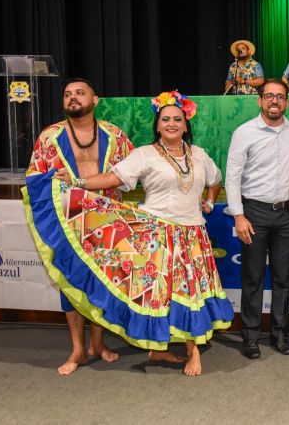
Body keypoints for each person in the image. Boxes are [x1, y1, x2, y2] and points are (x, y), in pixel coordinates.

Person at [26, 89, 234, 376]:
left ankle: (190, 351)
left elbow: (215, 179)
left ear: (186, 125)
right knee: (162, 296)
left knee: (191, 296)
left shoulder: (199, 154)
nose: (171, 124)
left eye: (177, 119)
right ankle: (162, 349)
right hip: (156, 235)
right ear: (157, 125)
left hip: (192, 236)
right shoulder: (144, 155)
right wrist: (76, 181)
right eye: (165, 120)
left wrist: (210, 201)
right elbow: (112, 178)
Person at [24, 78, 134, 375]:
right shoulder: (50, 136)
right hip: (68, 220)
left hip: (108, 218)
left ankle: (97, 343)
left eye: (80, 93)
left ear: (94, 100)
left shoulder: (115, 135)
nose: (73, 98)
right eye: (67, 94)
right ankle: (77, 349)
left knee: (102, 281)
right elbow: (32, 177)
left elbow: (133, 173)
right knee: (70, 283)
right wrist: (52, 179)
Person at [225, 79, 289, 359]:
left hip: (286, 214)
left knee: (283, 277)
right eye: (269, 96)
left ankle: (279, 334)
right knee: (253, 277)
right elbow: (233, 177)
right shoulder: (244, 132)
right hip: (254, 214)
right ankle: (249, 336)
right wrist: (239, 215)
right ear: (259, 100)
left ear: (287, 102)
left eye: (280, 97)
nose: (275, 101)